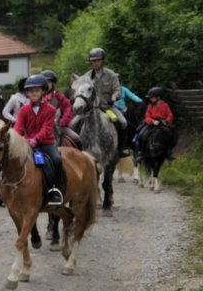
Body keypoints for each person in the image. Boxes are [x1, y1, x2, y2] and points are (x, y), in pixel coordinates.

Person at [14, 74, 66, 206]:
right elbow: (18, 127)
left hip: (45, 144)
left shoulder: (50, 109)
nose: (34, 93)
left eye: (37, 90)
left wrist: (36, 140)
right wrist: (16, 139)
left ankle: (55, 191)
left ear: (43, 91)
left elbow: (46, 129)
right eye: (30, 91)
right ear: (27, 93)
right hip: (27, 144)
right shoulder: (23, 110)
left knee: (57, 160)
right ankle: (3, 189)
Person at [74, 47, 128, 150]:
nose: (96, 63)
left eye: (98, 60)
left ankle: (122, 148)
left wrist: (114, 96)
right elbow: (79, 90)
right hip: (90, 109)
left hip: (108, 107)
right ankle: (77, 149)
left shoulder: (111, 75)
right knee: (73, 123)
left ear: (103, 61)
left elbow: (118, 90)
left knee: (123, 122)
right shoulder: (86, 77)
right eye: (93, 61)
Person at [137, 86, 177, 159]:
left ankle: (169, 151)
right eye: (150, 98)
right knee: (141, 134)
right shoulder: (150, 106)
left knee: (172, 134)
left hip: (163, 123)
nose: (150, 99)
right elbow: (147, 116)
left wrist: (166, 121)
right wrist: (152, 121)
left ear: (158, 97)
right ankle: (140, 152)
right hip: (152, 124)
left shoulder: (165, 105)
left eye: (152, 98)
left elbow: (170, 115)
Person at [41, 69, 77, 147]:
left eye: (48, 82)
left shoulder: (59, 96)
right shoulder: (37, 97)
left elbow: (68, 108)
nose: (46, 85)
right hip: (40, 128)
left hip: (59, 127)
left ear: (53, 84)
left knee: (77, 138)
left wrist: (64, 120)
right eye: (44, 82)